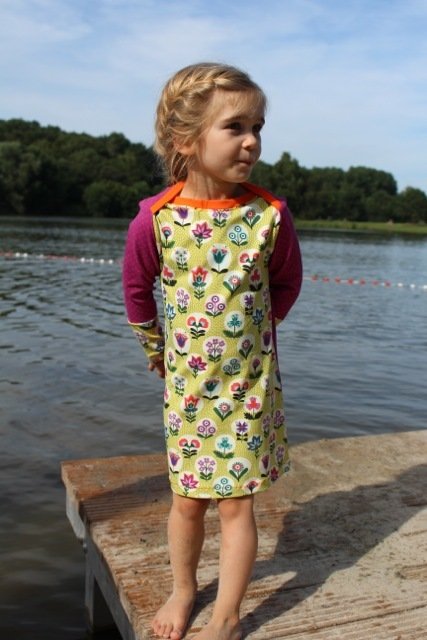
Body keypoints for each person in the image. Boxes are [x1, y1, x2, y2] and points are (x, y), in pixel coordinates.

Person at [122, 62, 302, 640]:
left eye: (258, 128)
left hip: (247, 387)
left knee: (236, 506)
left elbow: (287, 282)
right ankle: (184, 589)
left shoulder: (268, 216)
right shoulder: (157, 219)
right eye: (235, 127)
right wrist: (156, 350)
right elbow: (136, 291)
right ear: (185, 141)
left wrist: (260, 331)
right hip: (189, 388)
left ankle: (226, 617)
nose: (251, 141)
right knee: (187, 500)